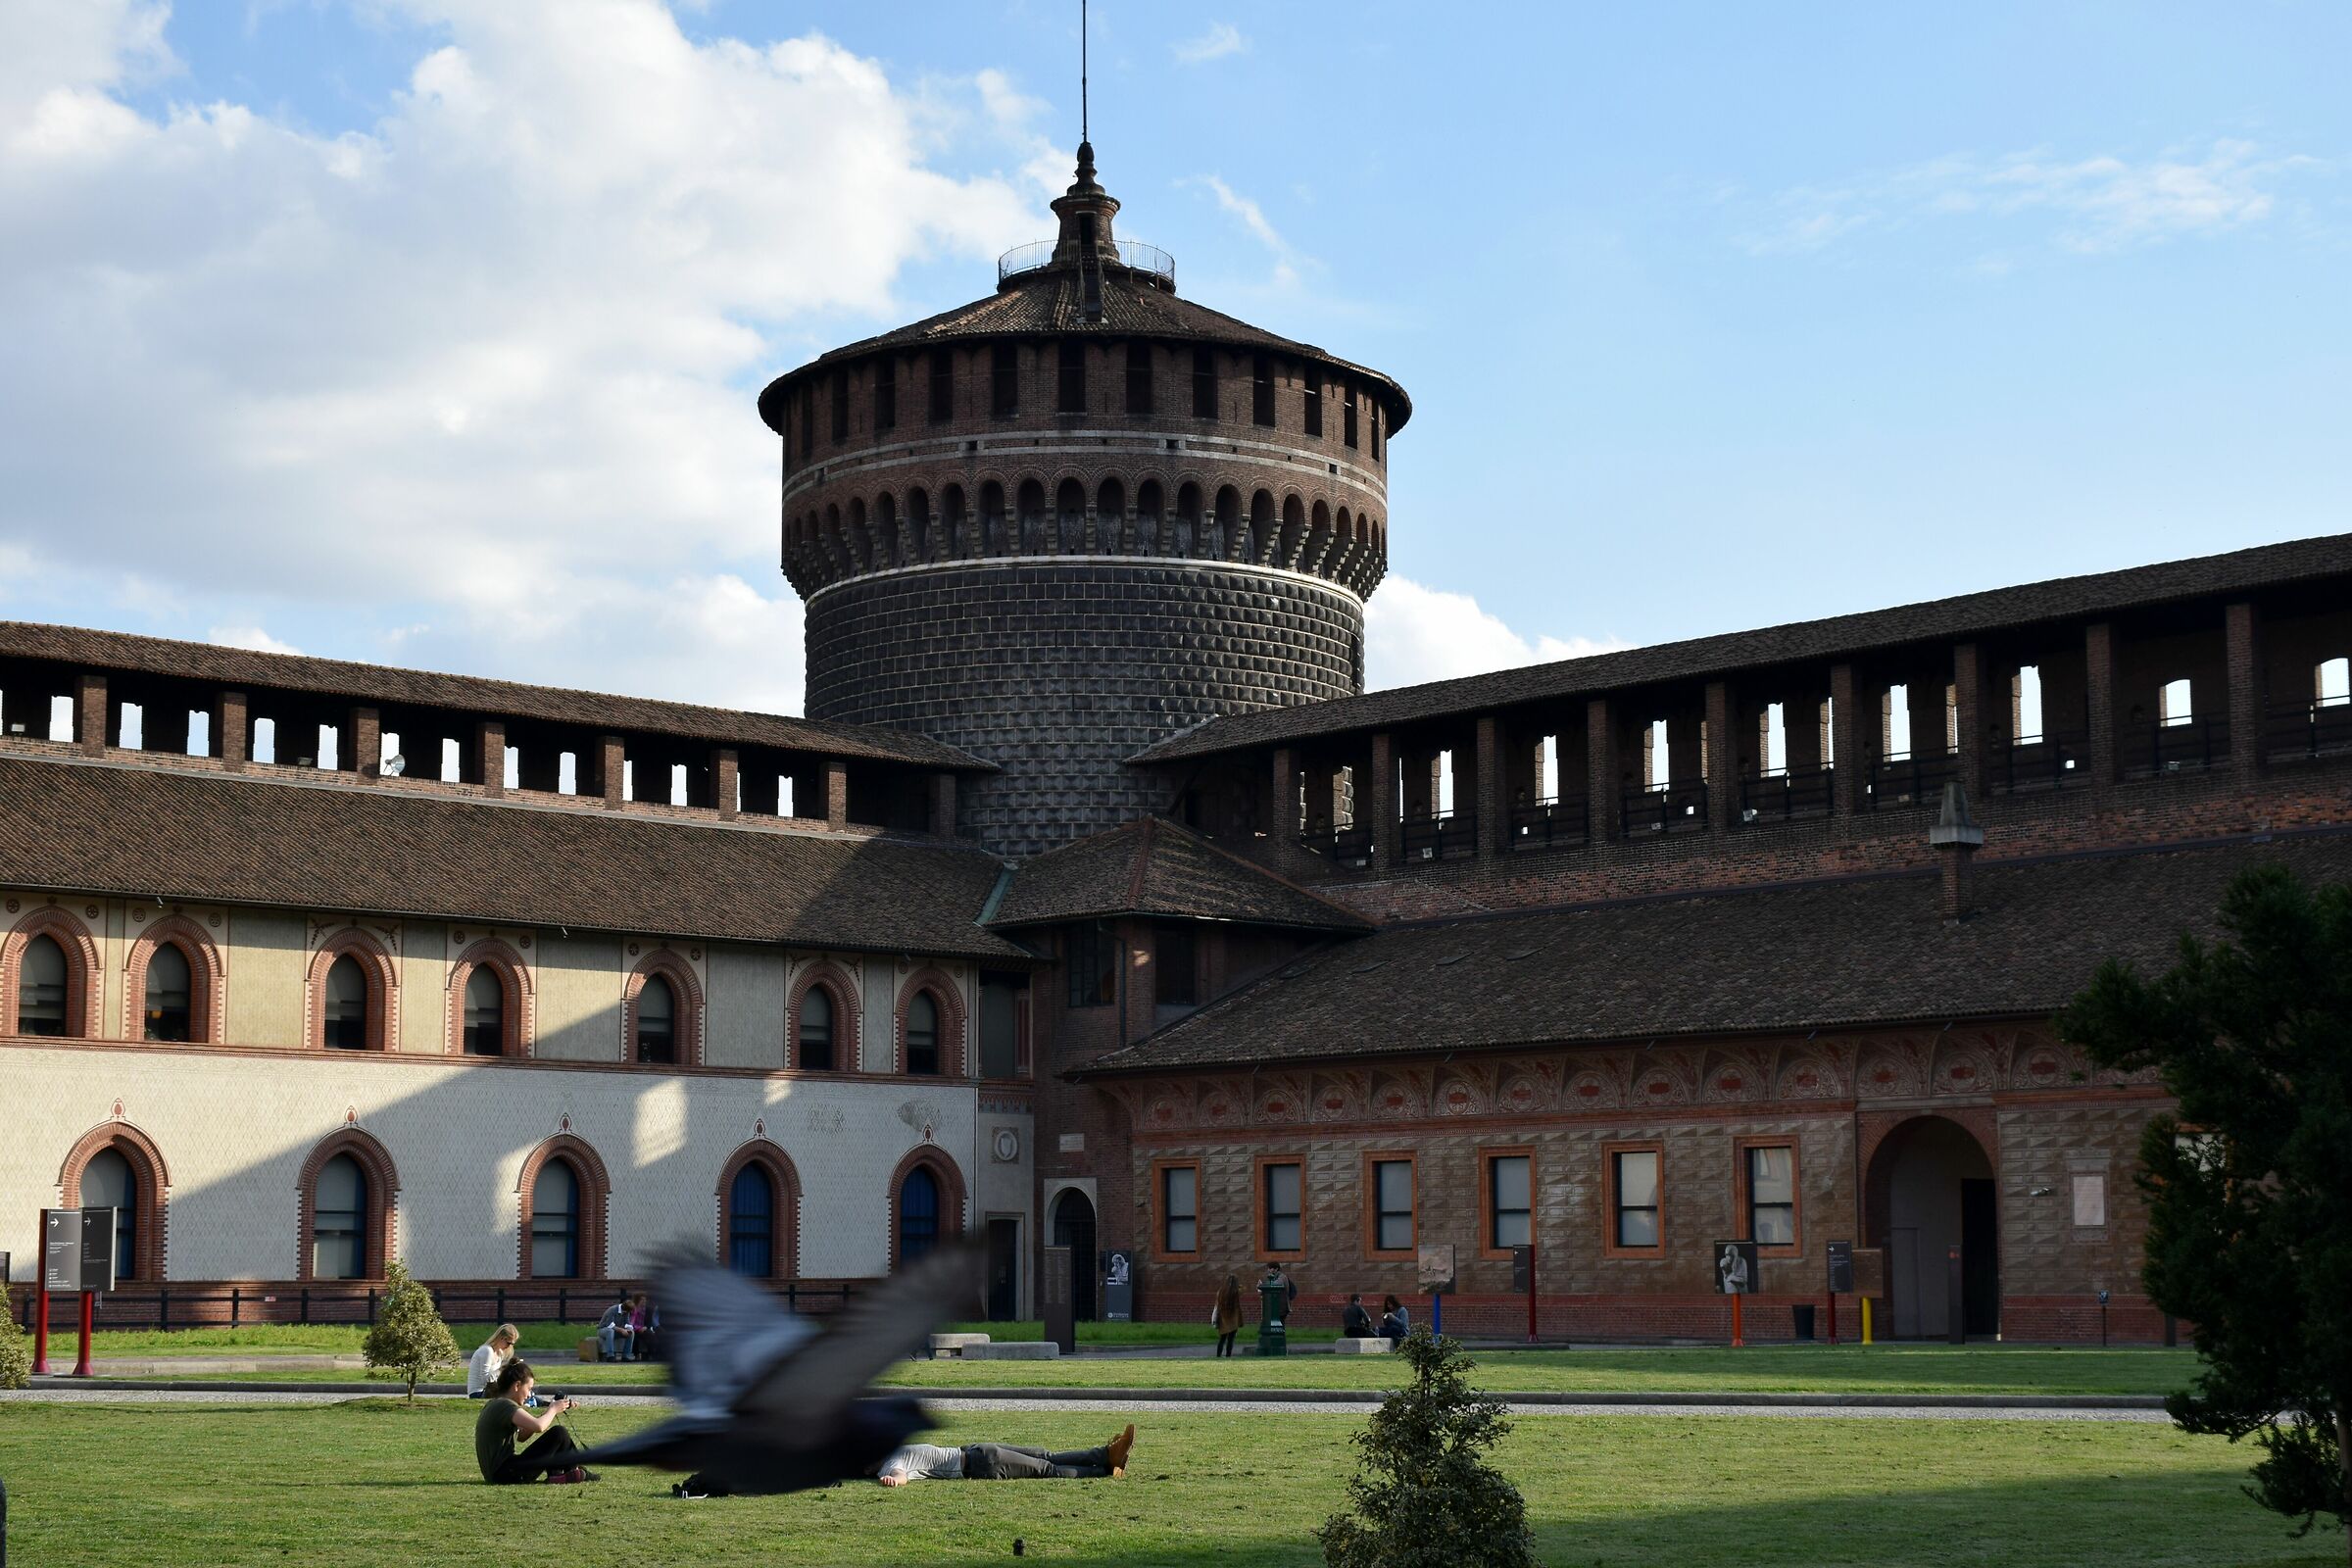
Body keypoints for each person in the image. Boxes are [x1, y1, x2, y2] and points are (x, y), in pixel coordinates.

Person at [873, 1426, 1135, 1485]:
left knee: (1047, 1455)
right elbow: (900, 1475)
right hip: (981, 1464)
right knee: (1045, 1469)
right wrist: (894, 1480)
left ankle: (1106, 1453)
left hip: (977, 1450)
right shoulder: (889, 1465)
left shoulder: (891, 1450)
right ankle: (1104, 1469)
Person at [473, 1360, 597, 1485]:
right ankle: (574, 1471)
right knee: (559, 1433)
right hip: (505, 1474)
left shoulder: (496, 1404)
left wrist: (548, 1412)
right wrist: (553, 1410)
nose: (530, 1395)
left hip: (501, 1473)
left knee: (557, 1435)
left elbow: (521, 1436)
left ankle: (560, 1475)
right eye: (529, 1389)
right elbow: (538, 1426)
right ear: (517, 1386)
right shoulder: (505, 1405)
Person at [466, 1324, 518, 1397]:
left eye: (512, 1344)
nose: (509, 1346)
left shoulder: (499, 1352)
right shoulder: (487, 1351)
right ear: (501, 1338)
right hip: (478, 1393)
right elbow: (485, 1380)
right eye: (508, 1343)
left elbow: (495, 1378)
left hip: (489, 1390)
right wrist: (502, 1369)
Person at [1211, 1274, 1243, 1358]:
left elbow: (1217, 1305)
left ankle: (1218, 1355)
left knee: (1222, 1339)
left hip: (1223, 1317)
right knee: (1230, 1340)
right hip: (1233, 1318)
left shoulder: (1221, 1291)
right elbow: (1243, 1290)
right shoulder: (1236, 1292)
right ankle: (1228, 1355)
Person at [597, 1295, 635, 1362]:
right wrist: (622, 1330)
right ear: (624, 1308)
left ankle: (626, 1356)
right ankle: (610, 1356)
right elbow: (609, 1324)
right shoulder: (612, 1310)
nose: (627, 1313)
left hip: (616, 1330)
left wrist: (629, 1329)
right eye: (626, 1312)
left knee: (631, 1333)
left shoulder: (626, 1312)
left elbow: (627, 1323)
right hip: (603, 1329)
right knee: (610, 1331)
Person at [628, 1292, 660, 1361]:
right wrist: (637, 1328)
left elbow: (650, 1321)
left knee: (651, 1335)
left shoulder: (649, 1309)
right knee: (634, 1337)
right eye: (642, 1299)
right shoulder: (632, 1309)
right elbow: (630, 1321)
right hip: (633, 1329)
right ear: (637, 1300)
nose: (644, 1301)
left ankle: (651, 1355)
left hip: (643, 1328)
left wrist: (646, 1327)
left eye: (645, 1299)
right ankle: (636, 1355)